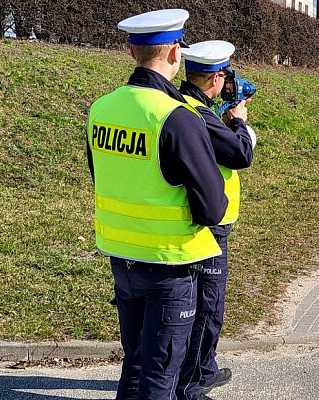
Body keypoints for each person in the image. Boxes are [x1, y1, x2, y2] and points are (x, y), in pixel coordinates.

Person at [85, 9, 228, 400]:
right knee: (161, 376)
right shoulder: (176, 117)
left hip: (122, 258)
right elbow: (213, 208)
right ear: (176, 53)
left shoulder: (101, 108)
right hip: (170, 265)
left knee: (134, 365)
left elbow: (103, 175)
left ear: (133, 52)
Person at [175, 40, 257, 400]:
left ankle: (203, 369)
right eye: (225, 76)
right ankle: (191, 386)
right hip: (209, 223)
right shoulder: (197, 114)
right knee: (208, 307)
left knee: (205, 306)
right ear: (216, 78)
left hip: (205, 219)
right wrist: (239, 122)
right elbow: (240, 153)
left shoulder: (186, 105)